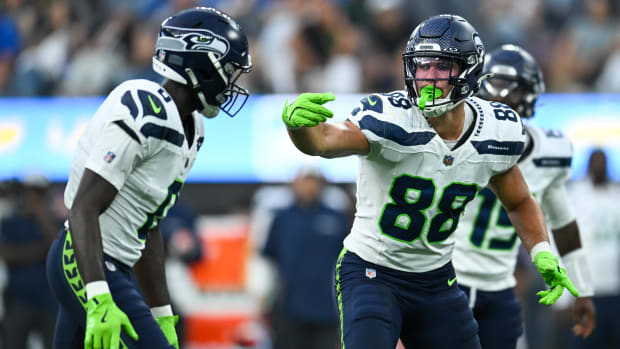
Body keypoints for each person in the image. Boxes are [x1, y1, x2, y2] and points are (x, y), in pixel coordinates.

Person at [280, 14, 579, 349]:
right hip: (372, 272)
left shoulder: (498, 130)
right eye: (422, 66)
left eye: (441, 67)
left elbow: (520, 201)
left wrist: (540, 250)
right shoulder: (392, 118)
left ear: (468, 71)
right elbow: (324, 141)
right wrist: (299, 129)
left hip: (436, 279)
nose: (428, 78)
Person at [45, 7, 252, 349]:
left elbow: (149, 226)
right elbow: (83, 207)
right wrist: (98, 294)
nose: (231, 84)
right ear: (199, 62)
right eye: (228, 71)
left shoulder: (193, 128)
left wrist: (162, 313)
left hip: (115, 265)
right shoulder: (144, 106)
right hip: (85, 262)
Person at [451, 44, 596, 349]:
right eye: (492, 95)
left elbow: (563, 224)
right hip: (447, 280)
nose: (500, 105)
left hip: (501, 286)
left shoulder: (549, 153)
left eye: (510, 96)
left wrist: (582, 288)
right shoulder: (454, 140)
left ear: (528, 102)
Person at [261, 166, 350, 349]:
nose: (309, 187)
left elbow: (347, 261)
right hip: (288, 307)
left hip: (327, 309)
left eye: (314, 182)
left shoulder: (336, 218)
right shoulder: (281, 218)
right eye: (304, 181)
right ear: (294, 184)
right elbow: (268, 258)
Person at [567, 149, 620, 348]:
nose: (600, 166)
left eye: (603, 162)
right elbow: (563, 243)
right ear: (588, 165)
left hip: (615, 289)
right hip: (585, 291)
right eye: (595, 161)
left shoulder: (616, 195)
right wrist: (563, 297)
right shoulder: (575, 195)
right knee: (587, 343)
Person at [0, 175, 59, 349]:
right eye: (30, 192)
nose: (33, 198)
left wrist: (41, 215)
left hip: (50, 301)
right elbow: (8, 255)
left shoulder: (54, 222)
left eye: (38, 193)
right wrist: (42, 251)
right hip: (19, 300)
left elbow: (58, 249)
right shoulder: (10, 222)